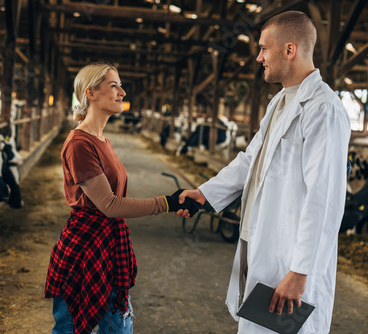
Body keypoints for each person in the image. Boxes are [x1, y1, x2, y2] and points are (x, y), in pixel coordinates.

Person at [176, 11, 351, 333]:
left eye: (263, 49)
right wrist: (207, 193)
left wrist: (300, 270)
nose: (258, 57)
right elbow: (250, 160)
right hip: (264, 243)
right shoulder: (281, 102)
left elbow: (324, 197)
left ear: (289, 49)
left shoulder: (322, 109)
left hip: (292, 258)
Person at [44, 61, 201, 334]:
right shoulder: (80, 143)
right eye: (114, 85)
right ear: (90, 93)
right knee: (72, 328)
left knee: (117, 326)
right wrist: (167, 202)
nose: (122, 92)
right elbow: (109, 205)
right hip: (85, 247)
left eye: (121, 85)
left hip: (107, 243)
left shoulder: (103, 140)